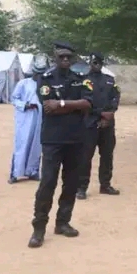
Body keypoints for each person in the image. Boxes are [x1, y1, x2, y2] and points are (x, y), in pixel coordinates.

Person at [28, 42, 94, 249]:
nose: (65, 60)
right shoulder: (45, 79)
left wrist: (63, 104)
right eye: (61, 57)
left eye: (69, 57)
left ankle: (63, 222)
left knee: (71, 183)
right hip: (53, 140)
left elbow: (88, 104)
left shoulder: (81, 79)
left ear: (73, 59)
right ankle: (39, 228)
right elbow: (48, 106)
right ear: (54, 57)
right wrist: (74, 105)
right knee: (47, 182)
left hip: (76, 139)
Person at [77, 52, 121, 199]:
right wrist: (101, 114)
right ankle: (81, 187)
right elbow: (85, 101)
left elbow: (115, 96)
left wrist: (111, 112)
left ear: (102, 64)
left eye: (98, 62)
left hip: (108, 124)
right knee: (85, 156)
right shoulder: (83, 81)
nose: (95, 65)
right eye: (92, 62)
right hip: (90, 123)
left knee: (107, 155)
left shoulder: (109, 80)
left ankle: (105, 185)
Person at [9, 55, 49, 184]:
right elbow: (14, 99)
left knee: (36, 146)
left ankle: (32, 171)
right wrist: (25, 105)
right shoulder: (23, 83)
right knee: (21, 144)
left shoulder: (45, 86)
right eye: (38, 73)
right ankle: (15, 173)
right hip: (25, 119)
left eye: (42, 73)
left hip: (39, 119)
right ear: (33, 71)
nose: (39, 75)